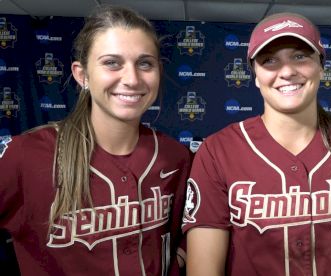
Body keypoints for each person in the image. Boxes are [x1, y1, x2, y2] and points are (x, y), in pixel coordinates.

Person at [183, 13, 331, 276]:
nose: (286, 72)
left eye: (300, 56)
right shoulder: (218, 152)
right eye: (270, 61)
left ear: (321, 66)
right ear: (255, 75)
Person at [0, 5, 190, 276]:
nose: (132, 79)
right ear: (82, 75)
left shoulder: (175, 156)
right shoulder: (26, 155)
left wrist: (179, 258)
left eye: (144, 63)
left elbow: (195, 229)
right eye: (112, 63)